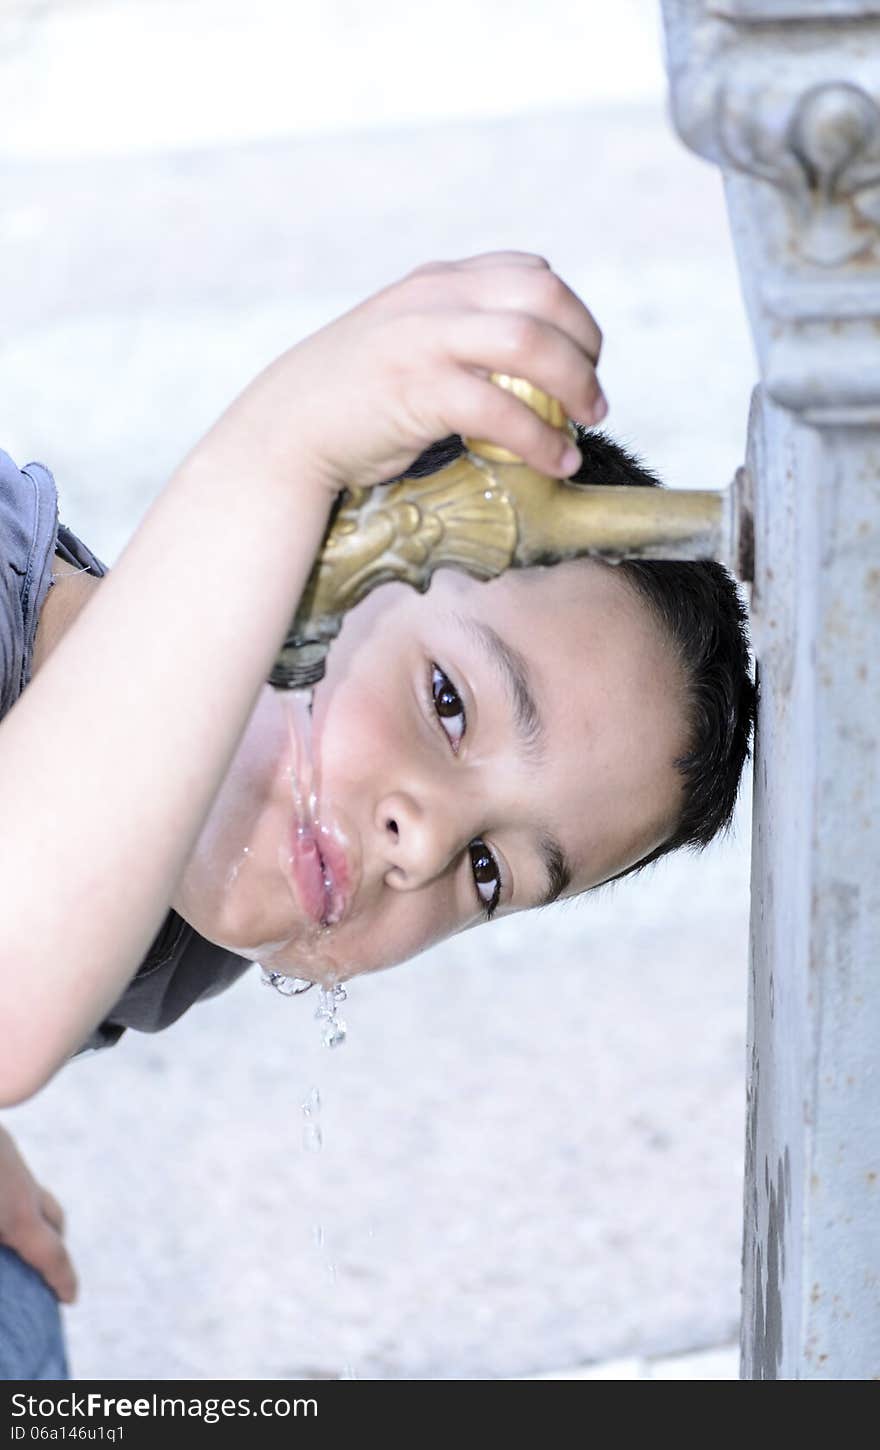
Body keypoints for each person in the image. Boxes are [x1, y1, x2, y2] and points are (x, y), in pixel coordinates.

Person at [0, 252, 756, 1378]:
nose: (429, 843)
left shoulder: (172, 939)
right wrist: (275, 451)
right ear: (327, 534)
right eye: (448, 703)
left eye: (492, 874)